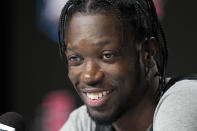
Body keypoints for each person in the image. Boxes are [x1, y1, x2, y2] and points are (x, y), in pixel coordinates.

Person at [57, 0, 197, 131]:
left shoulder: (183, 99)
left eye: (107, 55)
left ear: (148, 53)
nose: (89, 77)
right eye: (75, 58)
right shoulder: (83, 122)